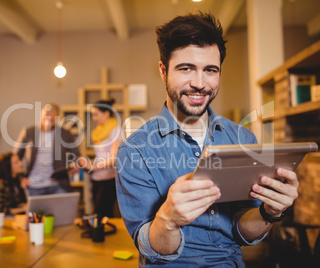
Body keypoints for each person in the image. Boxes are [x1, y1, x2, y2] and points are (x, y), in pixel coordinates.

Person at [115, 12, 299, 267]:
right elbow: (152, 248)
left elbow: (241, 232)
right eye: (186, 68)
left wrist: (270, 212)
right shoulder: (134, 150)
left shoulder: (243, 137)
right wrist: (168, 218)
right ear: (163, 70)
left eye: (210, 70)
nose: (200, 83)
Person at [13, 103, 80, 196]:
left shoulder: (65, 133)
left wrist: (76, 164)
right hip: (33, 185)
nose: (48, 122)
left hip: (58, 184)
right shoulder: (29, 132)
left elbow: (77, 154)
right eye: (45, 118)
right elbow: (15, 158)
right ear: (41, 116)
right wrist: (20, 178)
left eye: (51, 120)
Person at [78, 99, 122, 217]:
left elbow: (114, 159)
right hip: (96, 178)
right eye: (92, 115)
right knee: (97, 215)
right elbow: (101, 157)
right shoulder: (98, 132)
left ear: (106, 113)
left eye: (96, 114)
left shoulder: (115, 131)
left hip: (108, 180)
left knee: (101, 214)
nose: (94, 118)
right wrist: (87, 162)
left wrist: (93, 166)